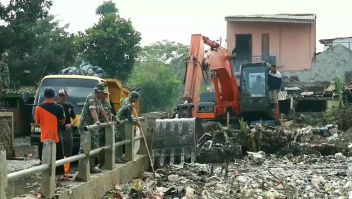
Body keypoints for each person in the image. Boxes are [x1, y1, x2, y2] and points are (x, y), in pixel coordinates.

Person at [34, 87, 65, 186]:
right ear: (54, 96)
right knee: (59, 158)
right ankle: (58, 180)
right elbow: (63, 121)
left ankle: (46, 180)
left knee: (44, 160)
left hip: (44, 138)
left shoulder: (38, 108)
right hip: (56, 138)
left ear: (44, 96)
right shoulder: (60, 107)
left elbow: (37, 121)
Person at [77, 83, 110, 173]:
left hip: (91, 127)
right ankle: (83, 168)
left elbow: (102, 110)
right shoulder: (92, 97)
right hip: (86, 126)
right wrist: (97, 121)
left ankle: (90, 166)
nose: (104, 95)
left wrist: (107, 121)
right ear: (98, 92)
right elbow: (93, 110)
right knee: (85, 146)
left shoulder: (98, 99)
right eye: (103, 93)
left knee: (94, 146)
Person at [115, 91, 141, 163]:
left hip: (119, 119)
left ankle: (120, 156)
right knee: (119, 139)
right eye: (136, 100)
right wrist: (136, 122)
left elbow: (121, 100)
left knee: (121, 139)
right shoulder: (130, 106)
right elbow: (129, 117)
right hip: (120, 122)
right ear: (134, 99)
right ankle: (117, 157)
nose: (136, 101)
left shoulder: (126, 100)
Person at [57, 88, 76, 179]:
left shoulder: (69, 106)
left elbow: (74, 118)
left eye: (63, 96)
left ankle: (66, 172)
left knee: (68, 150)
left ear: (66, 97)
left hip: (67, 130)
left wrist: (71, 124)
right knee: (59, 151)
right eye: (59, 96)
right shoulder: (56, 106)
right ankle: (58, 174)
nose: (61, 98)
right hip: (58, 130)